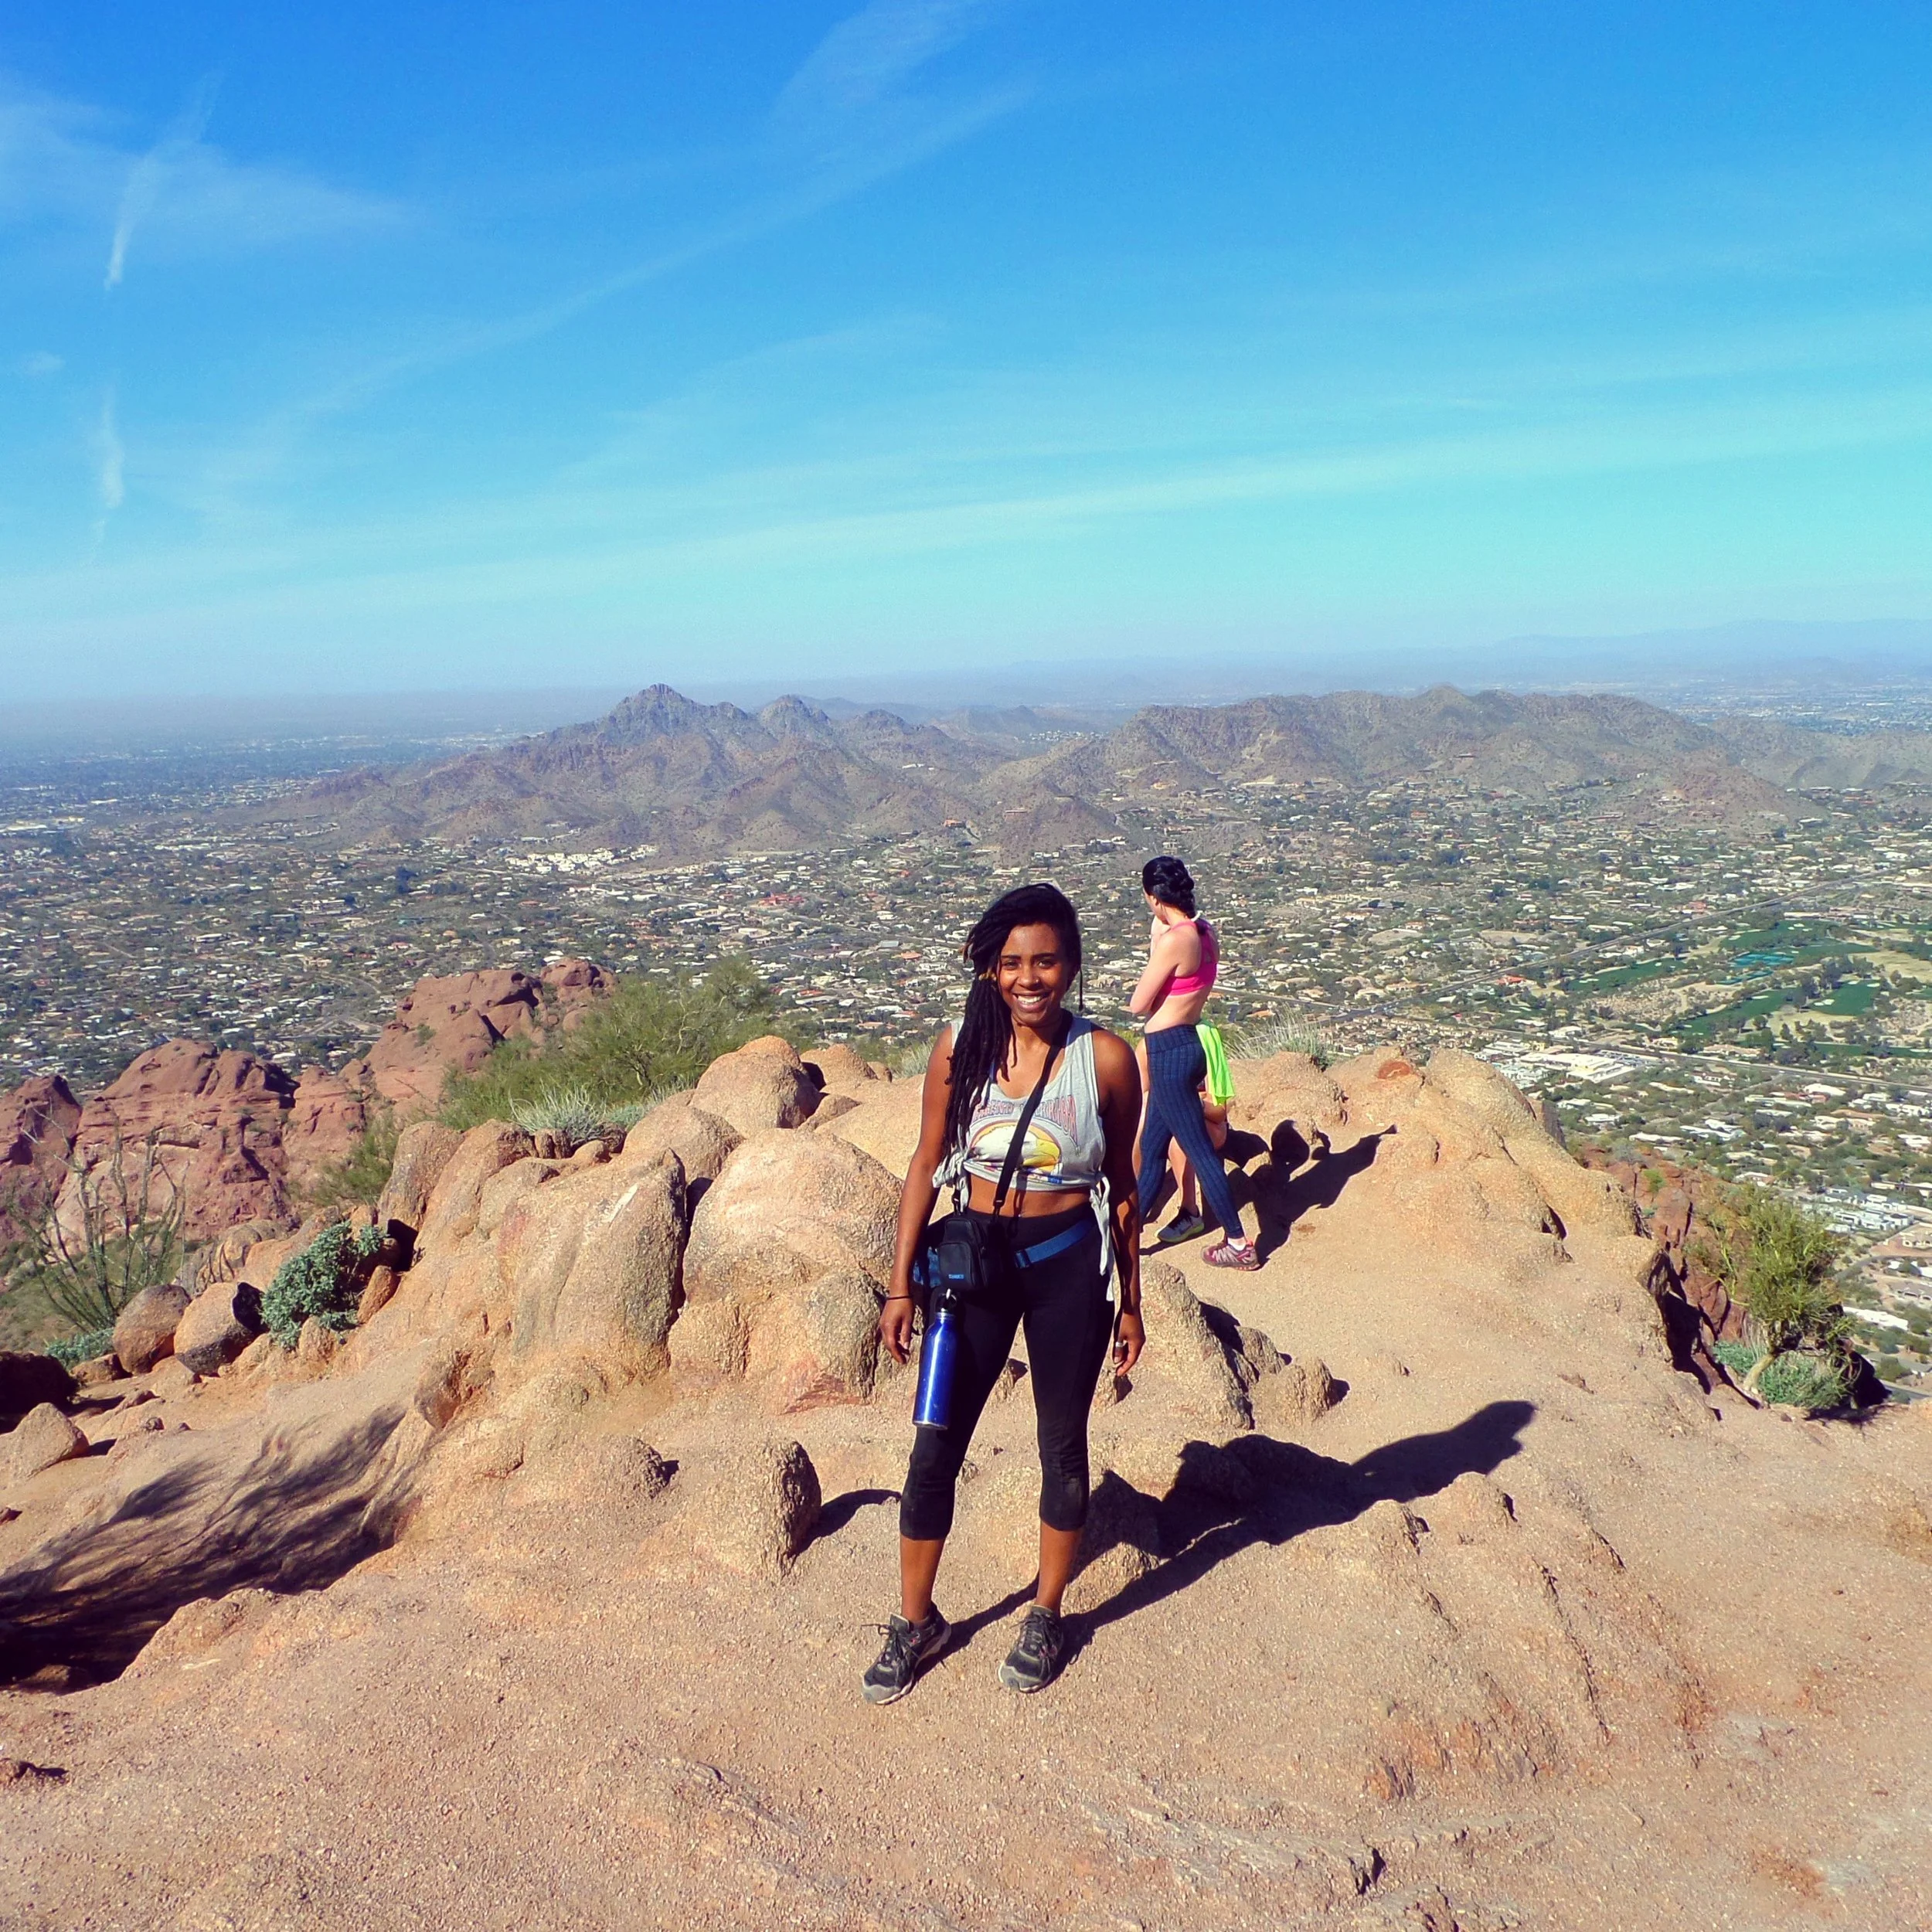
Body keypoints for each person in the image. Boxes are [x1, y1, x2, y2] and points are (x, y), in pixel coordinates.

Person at [866, 883, 1145, 1705]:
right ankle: (917, 1621)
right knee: (933, 1449)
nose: (1030, 978)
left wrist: (1131, 1298)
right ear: (989, 969)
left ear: (1072, 964)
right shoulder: (960, 1048)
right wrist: (898, 1286)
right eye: (1012, 962)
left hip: (1068, 1264)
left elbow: (1123, 1186)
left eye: (1046, 960)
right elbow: (924, 1163)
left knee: (1061, 1444)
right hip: (973, 1268)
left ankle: (1047, 1610)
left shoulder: (1105, 1060)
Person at [1129, 855, 1259, 1269]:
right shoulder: (1205, 932)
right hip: (1189, 1043)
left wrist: (1156, 941)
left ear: (1153, 898)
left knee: (1199, 1152)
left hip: (1167, 1051)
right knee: (1151, 1149)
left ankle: (1239, 1243)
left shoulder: (1173, 941)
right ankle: (1126, 1234)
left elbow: (1138, 1004)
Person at [1141, 1019, 1235, 1246]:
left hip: (1209, 1124)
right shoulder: (1149, 1044)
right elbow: (1143, 1095)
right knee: (1143, 1124)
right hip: (1164, 1118)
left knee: (1180, 1141)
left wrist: (1189, 1102)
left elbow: (1219, 1112)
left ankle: (1189, 1211)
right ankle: (1133, 1201)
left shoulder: (1204, 1038)